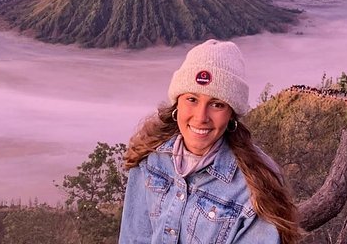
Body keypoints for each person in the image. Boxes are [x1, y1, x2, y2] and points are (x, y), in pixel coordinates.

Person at [119, 39, 300, 244]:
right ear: (177, 102)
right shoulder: (151, 159)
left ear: (231, 114)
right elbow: (133, 238)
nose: (201, 117)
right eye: (192, 99)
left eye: (217, 104)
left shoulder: (255, 185)